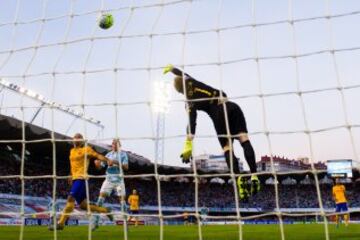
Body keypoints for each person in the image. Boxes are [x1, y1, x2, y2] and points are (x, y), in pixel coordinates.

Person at [163, 64, 259, 200]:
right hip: (232, 106)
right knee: (244, 139)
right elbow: (182, 73)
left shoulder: (189, 101)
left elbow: (192, 121)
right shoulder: (190, 80)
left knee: (228, 148)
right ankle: (254, 175)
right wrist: (173, 69)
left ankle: (239, 180)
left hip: (219, 115)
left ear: (180, 92)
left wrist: (188, 143)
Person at [49, 133, 113, 230]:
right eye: (75, 138)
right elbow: (72, 165)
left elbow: (97, 155)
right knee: (83, 206)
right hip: (75, 179)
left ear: (82, 140)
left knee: (70, 199)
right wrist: (70, 175)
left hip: (81, 179)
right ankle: (105, 210)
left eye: (79, 138)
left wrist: (107, 160)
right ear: (73, 140)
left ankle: (61, 223)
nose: (77, 139)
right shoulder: (72, 151)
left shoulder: (86, 149)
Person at [91, 138, 129, 231]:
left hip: (119, 180)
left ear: (119, 145)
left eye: (116, 143)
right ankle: (95, 222)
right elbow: (100, 168)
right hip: (108, 180)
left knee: (122, 201)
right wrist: (97, 164)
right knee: (99, 200)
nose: (114, 145)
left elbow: (126, 167)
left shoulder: (123, 154)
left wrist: (115, 162)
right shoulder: (108, 155)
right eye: (112, 143)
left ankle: (125, 224)